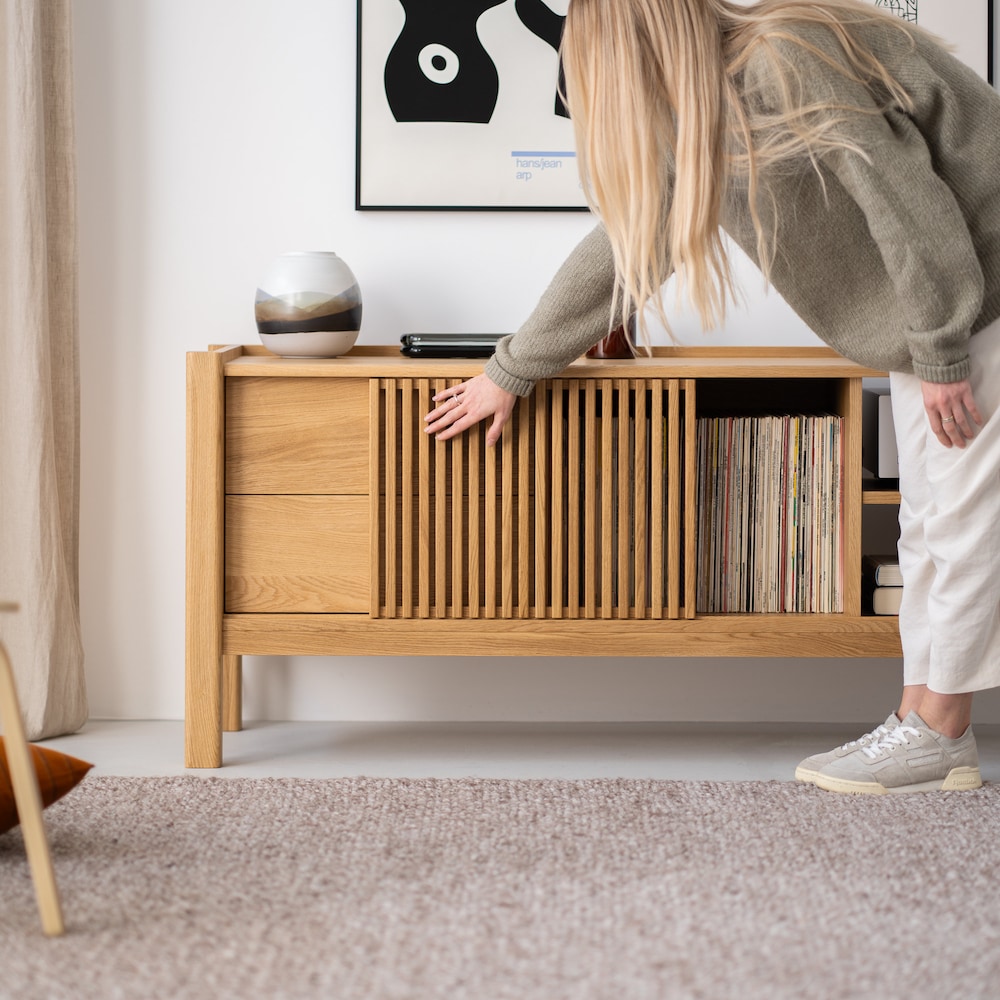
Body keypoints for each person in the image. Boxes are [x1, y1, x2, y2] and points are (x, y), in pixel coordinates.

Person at [422, 0, 1000, 794]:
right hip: (942, 311)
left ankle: (941, 729)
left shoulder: (781, 60)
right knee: (928, 518)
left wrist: (939, 344)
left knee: (964, 515)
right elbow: (629, 245)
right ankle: (921, 725)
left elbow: (898, 190)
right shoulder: (704, 113)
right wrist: (511, 369)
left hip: (978, 295)